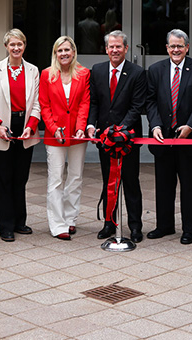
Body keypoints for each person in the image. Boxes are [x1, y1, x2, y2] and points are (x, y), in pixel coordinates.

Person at [145, 29, 192, 245]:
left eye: (180, 46)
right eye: (172, 46)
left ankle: (188, 229)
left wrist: (191, 126)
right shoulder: (155, 70)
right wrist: (154, 125)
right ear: (167, 48)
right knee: (164, 185)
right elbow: (150, 101)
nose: (176, 49)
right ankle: (164, 226)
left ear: (187, 47)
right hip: (163, 138)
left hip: (190, 139)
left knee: (189, 186)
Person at [86, 30, 147, 242]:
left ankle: (135, 226)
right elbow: (94, 102)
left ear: (126, 49)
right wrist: (91, 126)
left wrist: (120, 131)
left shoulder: (137, 73)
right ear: (106, 49)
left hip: (127, 140)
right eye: (111, 47)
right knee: (108, 182)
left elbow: (137, 106)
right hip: (104, 139)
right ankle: (109, 224)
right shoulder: (97, 70)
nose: (114, 50)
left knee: (130, 182)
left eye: (118, 46)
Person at [0, 29, 41, 242]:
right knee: (4, 178)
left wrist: (31, 126)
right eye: (12, 44)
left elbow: (37, 103)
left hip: (25, 128)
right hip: (3, 127)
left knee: (21, 178)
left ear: (25, 46)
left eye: (20, 44)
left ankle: (19, 221)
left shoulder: (33, 70)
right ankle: (5, 225)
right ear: (6, 46)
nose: (16, 48)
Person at [39, 36, 90, 240]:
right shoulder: (47, 75)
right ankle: (57, 224)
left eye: (67, 50)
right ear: (55, 54)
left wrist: (80, 128)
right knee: (55, 179)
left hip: (77, 134)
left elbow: (85, 102)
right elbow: (44, 105)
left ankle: (70, 219)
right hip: (55, 134)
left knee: (75, 177)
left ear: (74, 51)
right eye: (60, 51)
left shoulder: (84, 73)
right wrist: (53, 128)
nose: (64, 54)